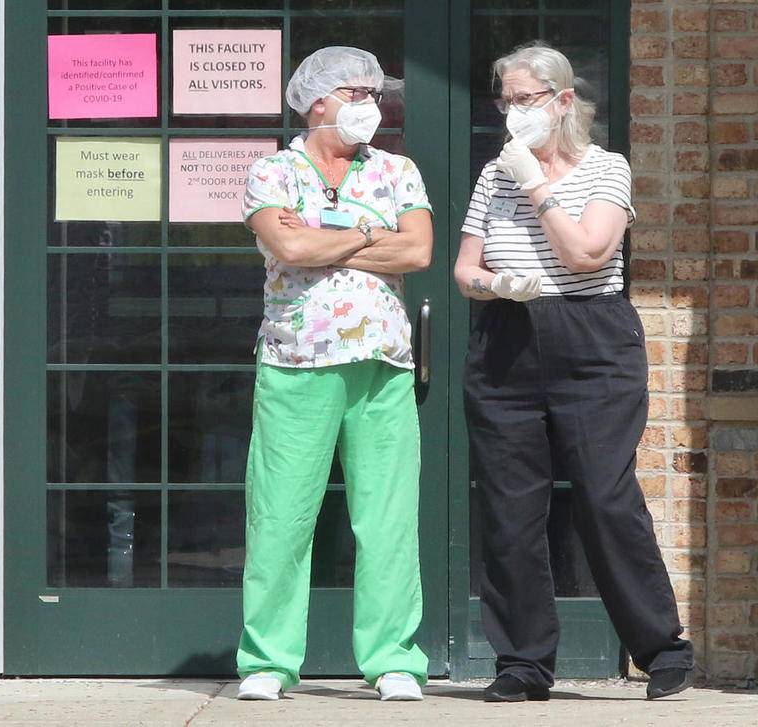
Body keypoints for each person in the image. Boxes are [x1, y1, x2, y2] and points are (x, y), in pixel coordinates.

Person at [454, 42, 694, 703]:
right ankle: (524, 663)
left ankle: (661, 648)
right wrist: (495, 281)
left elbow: (588, 253)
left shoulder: (605, 169)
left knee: (604, 495)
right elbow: (463, 268)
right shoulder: (492, 175)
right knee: (510, 509)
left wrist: (534, 182)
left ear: (563, 101)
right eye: (504, 99)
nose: (511, 111)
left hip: (592, 342)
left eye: (524, 98)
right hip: (506, 341)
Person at [236, 46, 433, 702]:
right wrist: (371, 234)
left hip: (382, 363)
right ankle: (268, 659)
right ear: (317, 101)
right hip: (296, 362)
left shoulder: (398, 169)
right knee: (282, 515)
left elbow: (421, 249)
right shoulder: (273, 171)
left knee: (387, 518)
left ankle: (393, 658)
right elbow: (288, 246)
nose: (369, 106)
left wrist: (331, 234)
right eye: (355, 93)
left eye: (374, 94)